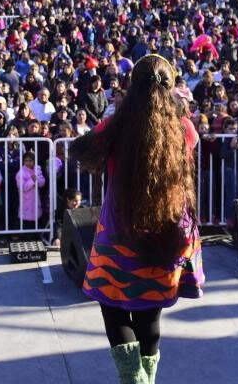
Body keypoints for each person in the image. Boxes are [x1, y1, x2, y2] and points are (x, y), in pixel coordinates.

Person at [71, 54, 203, 384]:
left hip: (121, 233)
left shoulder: (116, 127)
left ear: (132, 87)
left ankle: (135, 382)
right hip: (170, 233)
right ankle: (147, 380)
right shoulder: (185, 129)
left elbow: (81, 150)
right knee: (149, 312)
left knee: (112, 306)